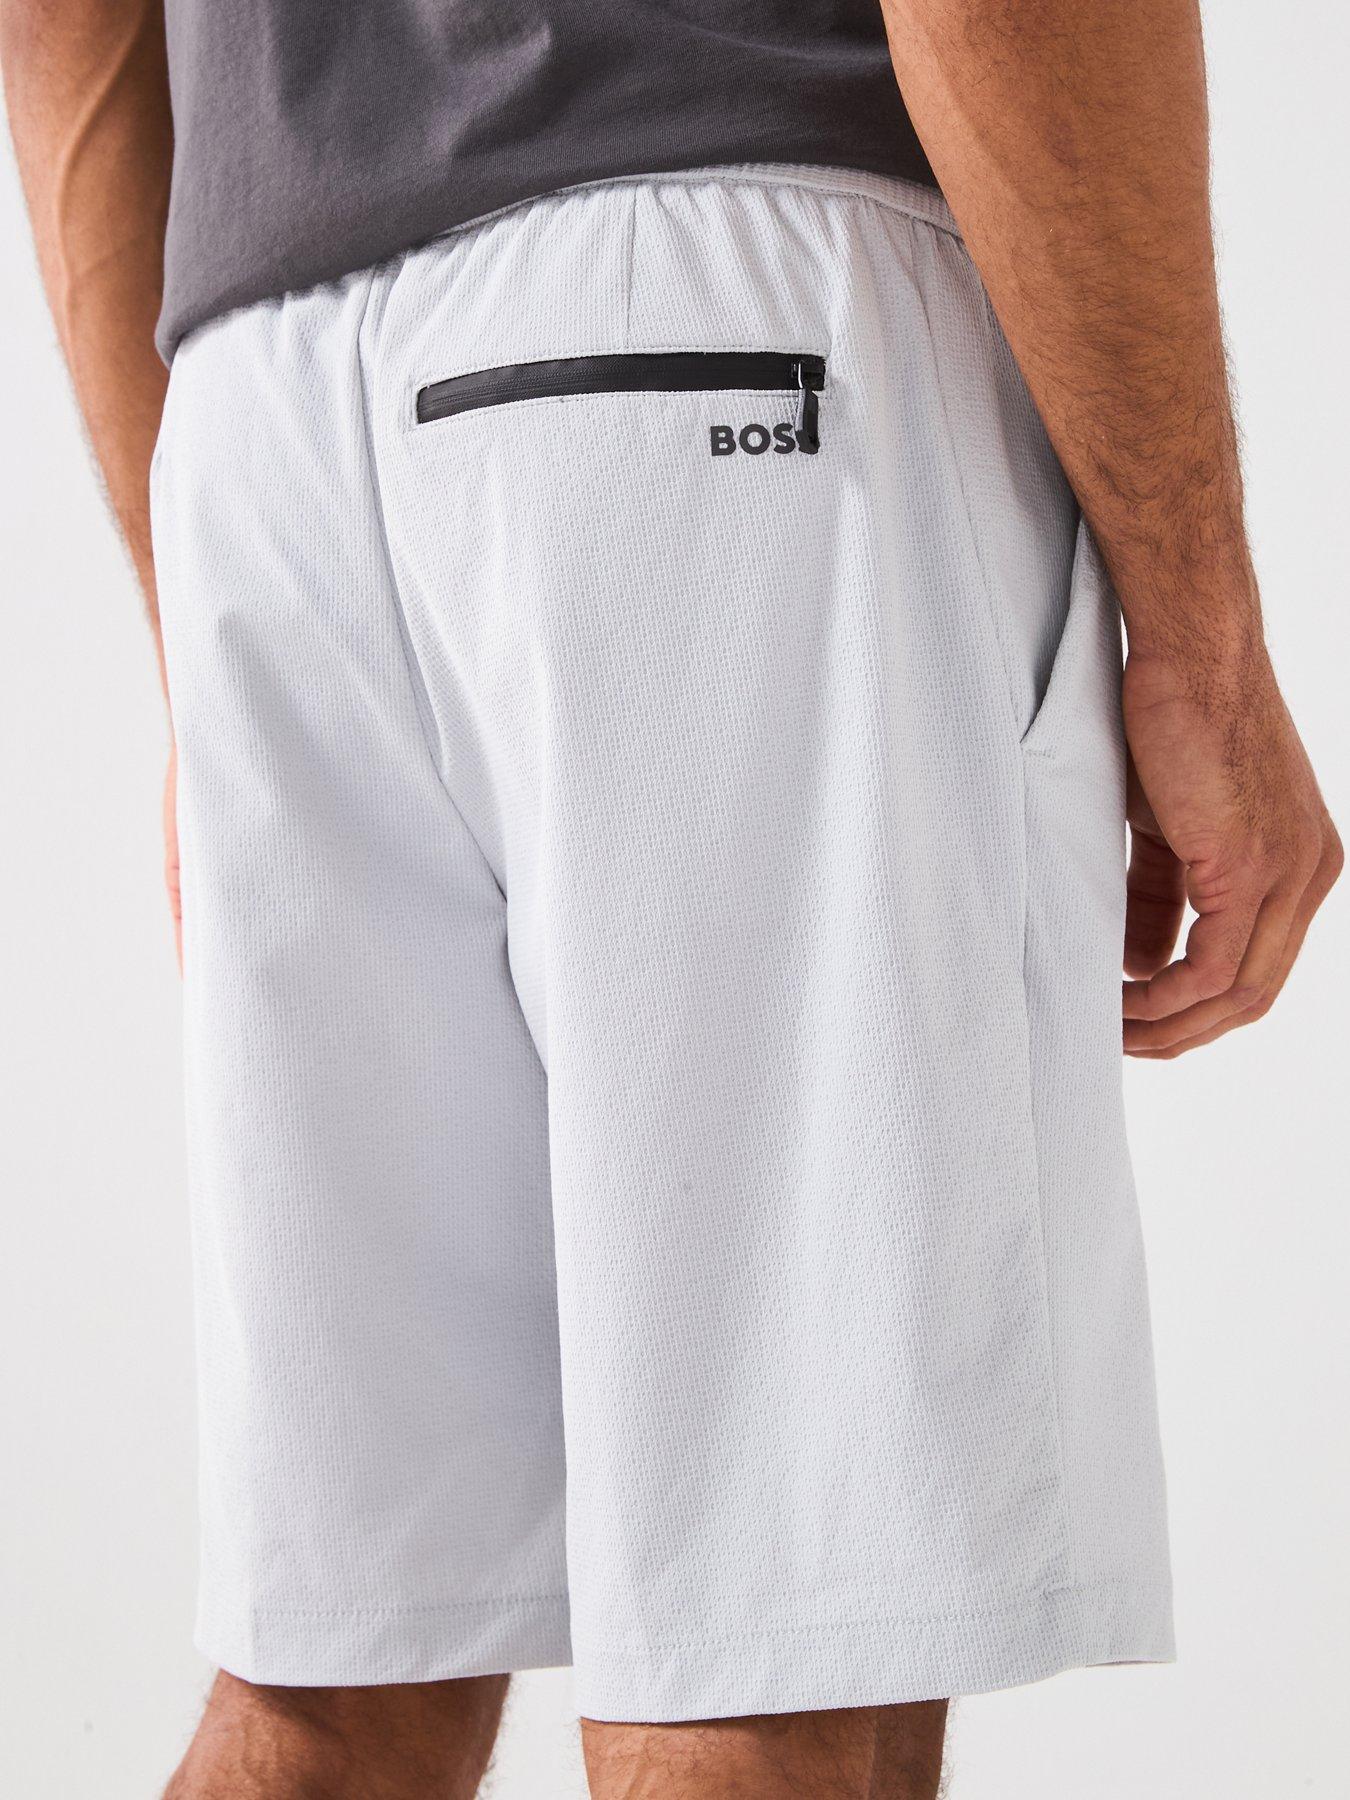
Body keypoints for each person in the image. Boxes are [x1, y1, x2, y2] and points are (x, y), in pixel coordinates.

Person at [3, 0, 1339, 1793]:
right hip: (720, 316)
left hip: (256, 415)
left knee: (335, 1692)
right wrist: (1201, 635)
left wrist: (207, 646)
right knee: (781, 1675)